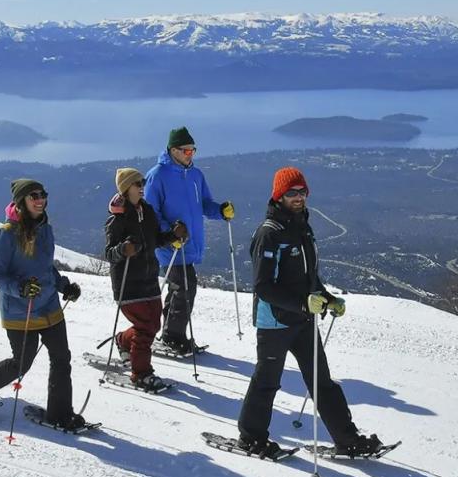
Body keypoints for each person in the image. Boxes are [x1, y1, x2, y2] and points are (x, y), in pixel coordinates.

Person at [237, 166, 384, 457]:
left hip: (303, 321)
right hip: (275, 322)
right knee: (267, 381)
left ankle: (347, 438)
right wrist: (304, 303)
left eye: (302, 191)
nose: (298, 197)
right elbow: (263, 287)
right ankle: (251, 437)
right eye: (291, 192)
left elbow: (310, 278)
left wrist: (328, 298)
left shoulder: (302, 227)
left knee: (322, 382)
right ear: (279, 195)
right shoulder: (269, 234)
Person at [0, 179, 84, 429]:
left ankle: (60, 414)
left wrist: (64, 286)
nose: (40, 199)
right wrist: (20, 289)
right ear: (21, 202)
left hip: (50, 307)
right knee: (21, 364)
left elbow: (46, 268)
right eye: (33, 196)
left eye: (42, 194)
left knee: (61, 358)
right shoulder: (6, 234)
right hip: (20, 310)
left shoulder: (45, 228)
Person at [144, 126, 234, 354]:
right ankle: (174, 336)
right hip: (170, 244)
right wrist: (170, 231)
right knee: (185, 287)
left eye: (192, 150)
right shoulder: (158, 175)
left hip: (190, 243)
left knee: (178, 288)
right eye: (186, 151)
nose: (190, 154)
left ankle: (169, 332)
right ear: (173, 150)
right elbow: (150, 212)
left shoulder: (196, 175)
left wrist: (220, 210)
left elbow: (205, 204)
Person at [104, 168, 188, 391]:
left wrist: (173, 235)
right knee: (146, 327)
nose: (141, 185)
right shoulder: (118, 219)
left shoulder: (147, 211)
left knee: (153, 323)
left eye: (142, 181)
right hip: (128, 284)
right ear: (125, 188)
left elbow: (155, 240)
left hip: (149, 278)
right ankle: (141, 373)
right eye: (136, 183)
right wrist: (123, 249)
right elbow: (109, 253)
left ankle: (123, 341)